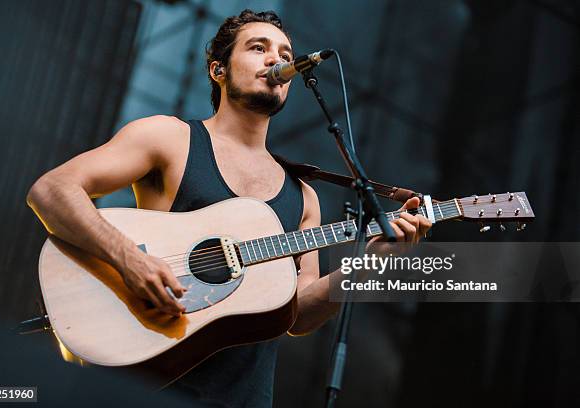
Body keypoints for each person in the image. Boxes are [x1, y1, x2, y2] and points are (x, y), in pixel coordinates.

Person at [27, 9, 431, 407]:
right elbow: (52, 189)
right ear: (218, 71)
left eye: (287, 55)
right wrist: (131, 260)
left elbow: (300, 315)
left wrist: (369, 265)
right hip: (142, 384)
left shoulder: (303, 196)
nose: (277, 60)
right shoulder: (168, 138)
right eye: (259, 48)